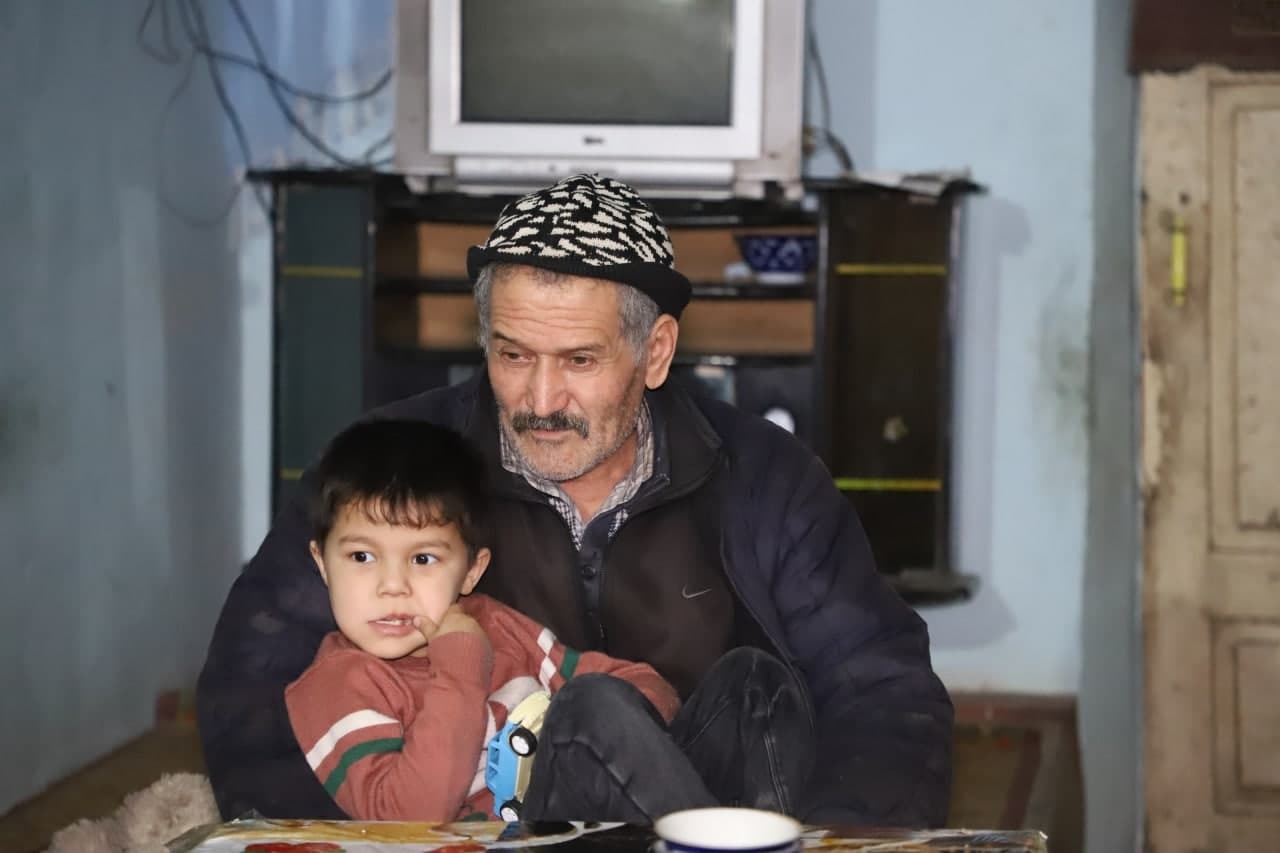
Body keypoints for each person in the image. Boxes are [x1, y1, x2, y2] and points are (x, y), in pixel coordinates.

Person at [197, 172, 953, 826]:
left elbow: (882, 690)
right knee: (589, 707)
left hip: (705, 799)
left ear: (655, 352)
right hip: (493, 831)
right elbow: (252, 684)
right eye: (512, 354)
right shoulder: (391, 474)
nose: (540, 399)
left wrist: (841, 836)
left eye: (580, 360)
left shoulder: (767, 476)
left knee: (758, 684)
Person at [285, 418, 813, 823]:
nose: (392, 585)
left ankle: (750, 837)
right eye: (362, 557)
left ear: (471, 571)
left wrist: (631, 741)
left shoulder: (494, 625)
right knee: (587, 705)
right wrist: (459, 670)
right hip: (516, 839)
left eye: (422, 559)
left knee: (752, 679)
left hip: (614, 814)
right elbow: (411, 819)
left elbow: (637, 685)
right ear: (322, 564)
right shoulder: (339, 684)